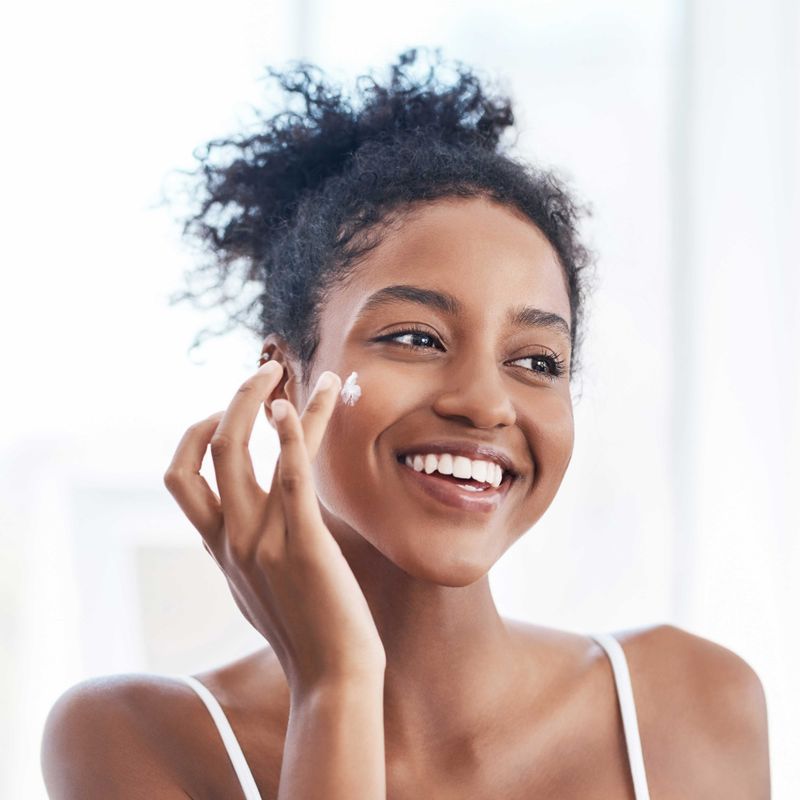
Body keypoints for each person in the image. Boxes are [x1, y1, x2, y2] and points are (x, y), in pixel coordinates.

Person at [40, 47, 770, 799]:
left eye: (538, 360)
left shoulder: (690, 704)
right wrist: (337, 686)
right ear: (282, 378)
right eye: (417, 338)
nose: (486, 404)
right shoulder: (132, 738)